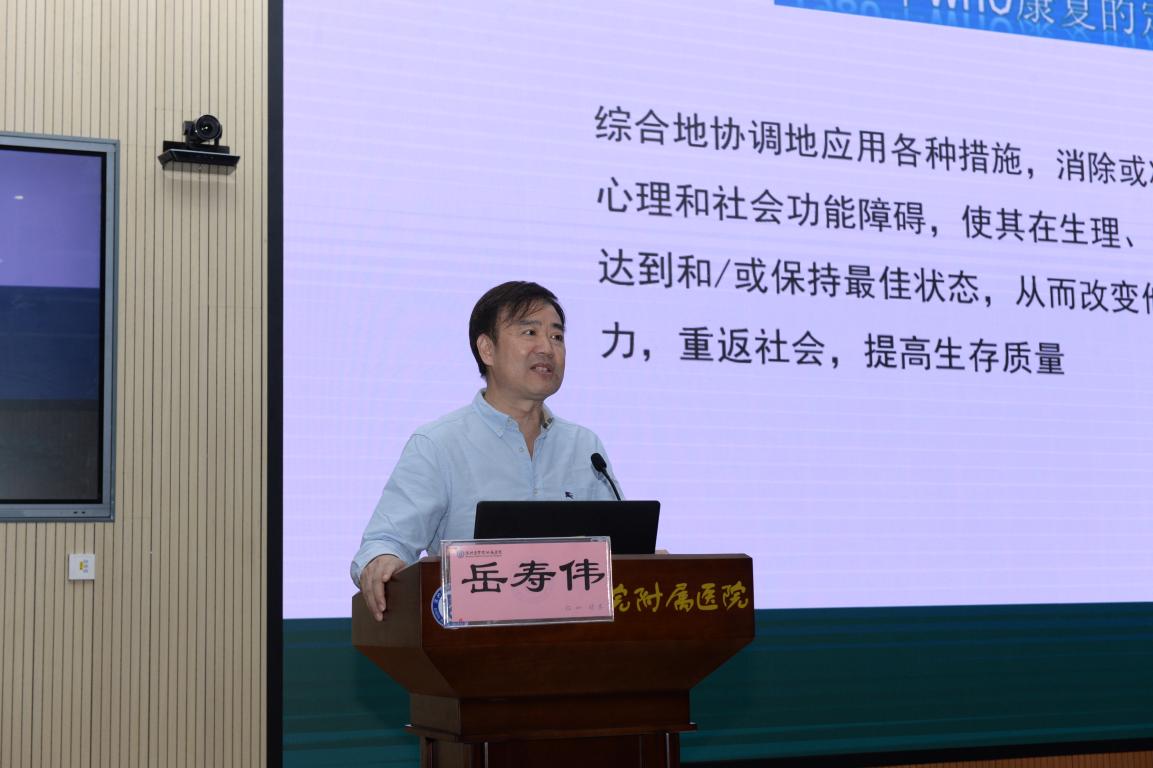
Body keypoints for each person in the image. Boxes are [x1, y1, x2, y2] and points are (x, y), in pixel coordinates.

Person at [351, 281, 621, 619]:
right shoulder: (439, 444)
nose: (547, 348)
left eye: (556, 336)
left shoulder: (584, 447)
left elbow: (621, 549)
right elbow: (384, 542)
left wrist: (646, 562)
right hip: (472, 639)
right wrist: (381, 561)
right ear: (487, 349)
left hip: (576, 639)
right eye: (530, 332)